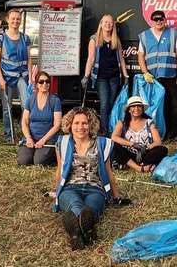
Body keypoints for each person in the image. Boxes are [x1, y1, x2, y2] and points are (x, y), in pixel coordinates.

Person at [55, 107, 124, 250]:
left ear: (91, 125)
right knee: (74, 205)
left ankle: (77, 233)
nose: (80, 127)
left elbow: (108, 171)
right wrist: (56, 194)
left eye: (85, 123)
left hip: (95, 188)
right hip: (70, 187)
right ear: (70, 125)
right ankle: (85, 232)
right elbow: (59, 171)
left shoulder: (102, 143)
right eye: (76, 123)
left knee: (91, 208)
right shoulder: (62, 142)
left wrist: (116, 196)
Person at [137, 10, 177, 144]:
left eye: (161, 19)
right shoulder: (144, 35)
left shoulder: (174, 33)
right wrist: (145, 72)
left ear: (165, 20)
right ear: (151, 21)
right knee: (158, 107)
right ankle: (160, 134)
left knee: (175, 105)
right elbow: (140, 55)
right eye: (156, 20)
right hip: (154, 79)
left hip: (171, 76)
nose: (158, 22)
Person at [81, 14, 130, 135]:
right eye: (106, 22)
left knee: (112, 103)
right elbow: (90, 59)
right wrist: (86, 76)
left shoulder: (115, 39)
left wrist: (126, 75)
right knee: (104, 103)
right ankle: (104, 131)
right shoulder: (94, 39)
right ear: (101, 24)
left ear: (113, 25)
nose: (108, 24)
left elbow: (121, 59)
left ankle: (112, 128)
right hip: (100, 77)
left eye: (110, 22)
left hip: (114, 76)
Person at [0, 9, 32, 143]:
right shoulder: (1, 39)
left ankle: (25, 134)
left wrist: (31, 79)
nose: (15, 21)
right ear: (7, 19)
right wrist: (0, 78)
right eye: (13, 18)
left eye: (18, 19)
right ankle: (9, 135)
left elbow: (29, 59)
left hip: (23, 76)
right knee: (7, 107)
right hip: (7, 76)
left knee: (26, 105)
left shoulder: (25, 38)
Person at [111, 96, 168, 173]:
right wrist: (132, 144)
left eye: (139, 106)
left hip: (146, 154)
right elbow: (114, 137)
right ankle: (138, 168)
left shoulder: (149, 122)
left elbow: (158, 141)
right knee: (115, 146)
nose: (136, 109)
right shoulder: (122, 122)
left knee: (163, 149)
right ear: (129, 110)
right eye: (133, 106)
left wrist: (145, 149)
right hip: (129, 153)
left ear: (142, 109)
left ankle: (144, 164)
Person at [17, 71, 62, 165]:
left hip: (48, 138)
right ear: (37, 84)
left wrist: (43, 140)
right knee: (23, 161)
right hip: (32, 137)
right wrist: (28, 138)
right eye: (41, 82)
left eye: (47, 81)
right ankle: (33, 151)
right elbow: (24, 121)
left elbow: (57, 125)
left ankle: (52, 154)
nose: (44, 84)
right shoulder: (30, 100)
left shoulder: (55, 100)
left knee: (39, 162)